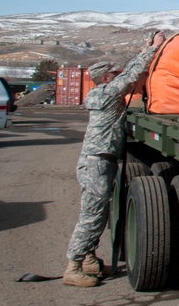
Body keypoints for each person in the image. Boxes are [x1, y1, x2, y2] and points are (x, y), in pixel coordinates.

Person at [62, 31, 166, 287]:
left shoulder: (103, 93)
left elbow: (129, 73)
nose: (118, 76)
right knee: (92, 214)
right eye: (114, 74)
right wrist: (153, 48)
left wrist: (144, 49)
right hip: (97, 162)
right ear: (106, 78)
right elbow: (131, 76)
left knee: (97, 212)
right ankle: (73, 266)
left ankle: (88, 259)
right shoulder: (107, 94)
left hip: (99, 161)